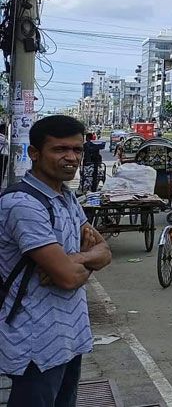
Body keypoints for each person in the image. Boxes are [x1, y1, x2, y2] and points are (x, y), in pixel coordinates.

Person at [0, 115, 112, 407]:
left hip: (70, 335)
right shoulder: (22, 205)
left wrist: (74, 259)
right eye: (60, 149)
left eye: (76, 150)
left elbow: (104, 252)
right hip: (35, 340)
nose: (71, 157)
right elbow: (69, 278)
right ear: (35, 153)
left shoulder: (65, 197)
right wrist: (77, 264)